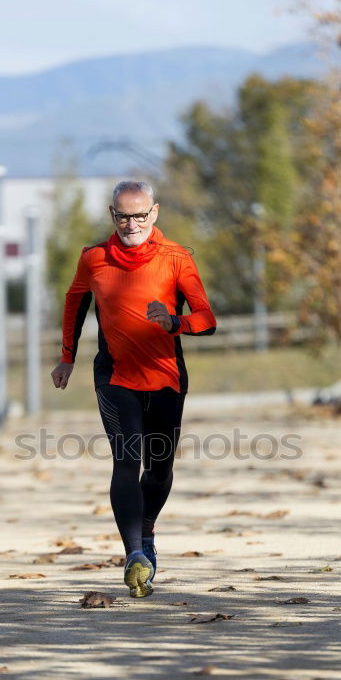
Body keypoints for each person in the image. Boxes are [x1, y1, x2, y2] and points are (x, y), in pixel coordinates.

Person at [51, 180, 216, 598]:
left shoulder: (176, 259)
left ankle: (146, 529)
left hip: (165, 376)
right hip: (115, 375)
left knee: (159, 468)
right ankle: (135, 554)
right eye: (123, 216)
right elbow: (76, 303)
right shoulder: (94, 259)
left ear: (154, 213)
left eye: (139, 215)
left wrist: (174, 323)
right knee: (126, 460)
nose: (131, 224)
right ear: (112, 216)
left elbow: (206, 318)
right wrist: (67, 356)